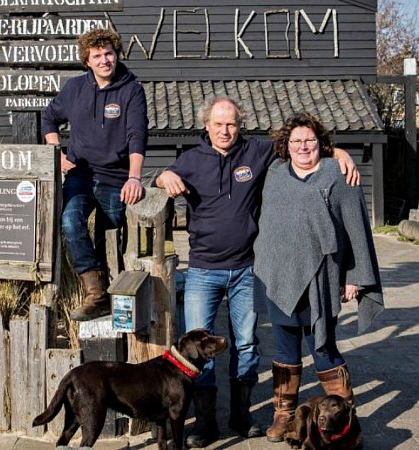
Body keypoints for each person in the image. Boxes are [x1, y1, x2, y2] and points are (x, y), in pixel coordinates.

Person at [154, 97, 359, 447]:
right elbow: (154, 177)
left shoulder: (256, 152)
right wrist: (164, 175)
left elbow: (300, 146)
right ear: (207, 126)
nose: (225, 130)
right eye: (218, 124)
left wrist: (338, 154)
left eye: (231, 124)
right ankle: (205, 423)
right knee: (195, 351)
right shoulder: (190, 160)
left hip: (247, 269)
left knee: (247, 344)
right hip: (203, 269)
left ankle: (241, 416)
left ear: (240, 125)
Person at [253, 112, 384, 443]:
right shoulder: (275, 174)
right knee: (284, 353)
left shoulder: (337, 174)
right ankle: (284, 418)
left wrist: (354, 276)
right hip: (279, 277)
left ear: (321, 143)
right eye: (295, 141)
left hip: (321, 281)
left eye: (309, 140)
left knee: (324, 350)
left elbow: (356, 229)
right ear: (285, 145)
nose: (302, 147)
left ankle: (346, 416)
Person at [41, 29, 148, 321]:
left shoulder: (131, 90)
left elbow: (137, 136)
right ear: (87, 60)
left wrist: (134, 177)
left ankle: (115, 297)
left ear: (117, 54)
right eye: (97, 56)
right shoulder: (75, 89)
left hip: (116, 177)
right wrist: (57, 154)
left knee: (110, 237)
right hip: (80, 174)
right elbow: (49, 117)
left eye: (109, 53)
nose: (104, 60)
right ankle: (96, 291)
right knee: (70, 221)